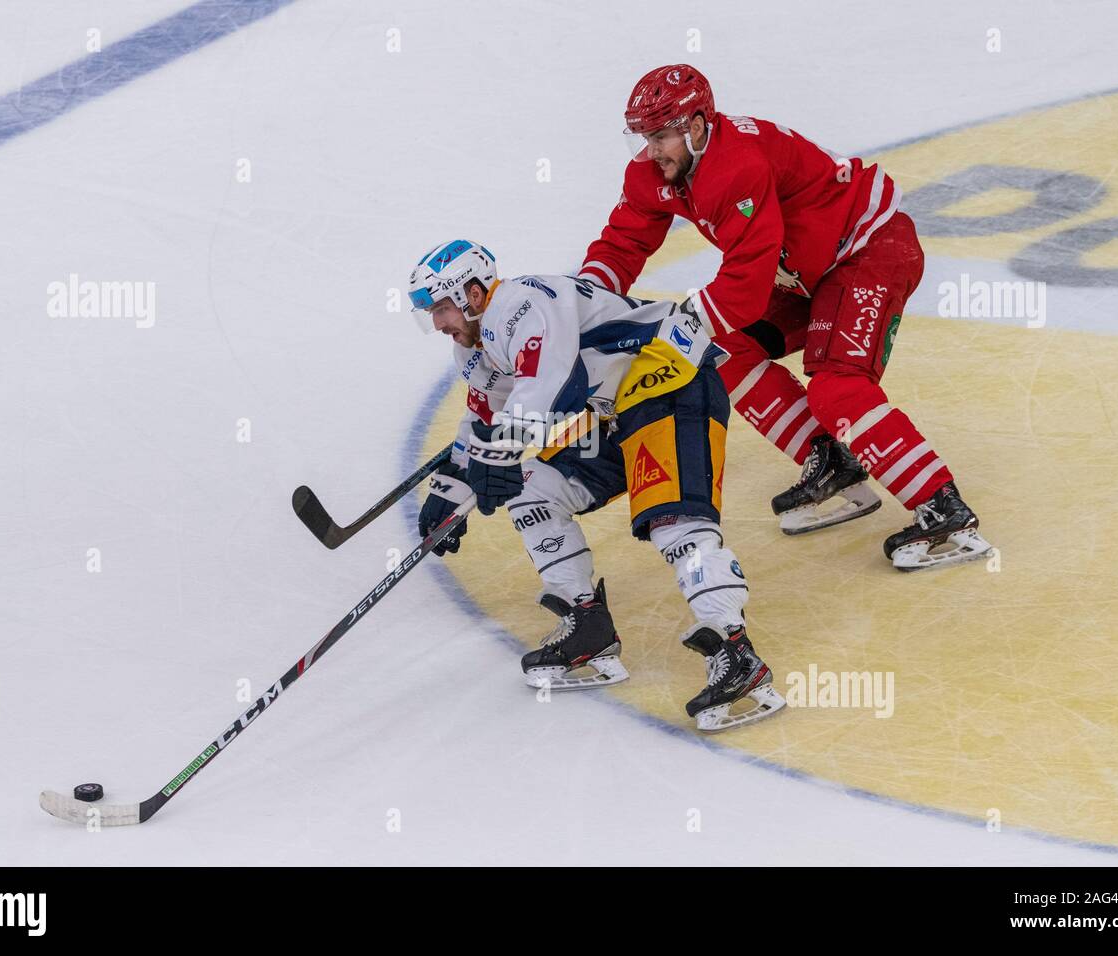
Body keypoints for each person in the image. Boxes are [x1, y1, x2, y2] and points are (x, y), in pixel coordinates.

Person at [578, 64, 994, 571]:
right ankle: (832, 463)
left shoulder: (737, 167)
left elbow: (746, 285)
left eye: (662, 135)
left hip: (867, 252)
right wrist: (585, 302)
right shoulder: (657, 169)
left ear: (698, 125)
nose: (651, 150)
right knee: (721, 353)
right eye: (643, 137)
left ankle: (942, 507)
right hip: (801, 271)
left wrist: (678, 324)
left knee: (837, 386)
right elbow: (624, 240)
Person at [408, 239, 785, 732]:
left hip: (669, 380)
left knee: (673, 522)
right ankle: (587, 624)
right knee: (531, 488)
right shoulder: (475, 350)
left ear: (474, 293)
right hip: (615, 410)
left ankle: (739, 656)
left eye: (440, 307)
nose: (437, 323)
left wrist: (495, 453)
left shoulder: (525, 304)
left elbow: (550, 390)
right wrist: (449, 491)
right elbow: (485, 418)